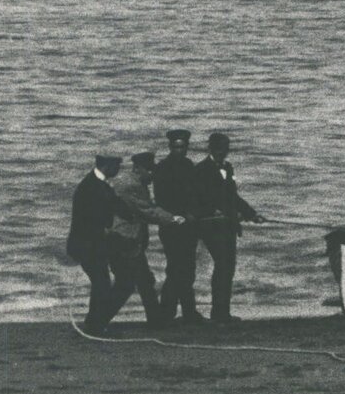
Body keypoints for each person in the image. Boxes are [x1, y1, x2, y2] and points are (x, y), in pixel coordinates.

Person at [193, 131, 264, 324]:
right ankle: (219, 313)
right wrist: (214, 211)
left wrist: (251, 213)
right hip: (211, 226)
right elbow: (200, 198)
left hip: (228, 226)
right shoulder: (201, 169)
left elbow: (233, 197)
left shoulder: (228, 168)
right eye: (218, 149)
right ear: (211, 148)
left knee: (227, 268)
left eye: (224, 149)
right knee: (223, 266)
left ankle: (222, 312)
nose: (222, 153)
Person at [107, 150, 177, 328]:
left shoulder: (136, 182)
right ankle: (97, 319)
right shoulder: (131, 185)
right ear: (138, 169)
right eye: (149, 170)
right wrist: (174, 218)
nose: (152, 174)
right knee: (129, 283)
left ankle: (155, 320)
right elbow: (147, 210)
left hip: (129, 241)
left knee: (142, 280)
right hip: (123, 240)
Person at [68, 154, 130, 333]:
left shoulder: (97, 183)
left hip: (92, 244)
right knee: (102, 282)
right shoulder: (92, 187)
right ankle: (95, 324)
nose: (119, 169)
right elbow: (93, 218)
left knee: (101, 282)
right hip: (88, 244)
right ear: (107, 165)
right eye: (117, 165)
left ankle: (94, 322)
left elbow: (116, 205)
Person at [152, 128, 205, 324]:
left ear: (187, 147)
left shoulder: (189, 166)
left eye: (183, 147)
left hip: (190, 226)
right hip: (172, 225)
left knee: (188, 268)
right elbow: (162, 199)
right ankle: (167, 311)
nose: (179, 151)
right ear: (170, 147)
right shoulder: (162, 168)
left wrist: (193, 213)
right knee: (175, 268)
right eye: (176, 147)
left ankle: (188, 311)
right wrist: (179, 215)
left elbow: (195, 195)